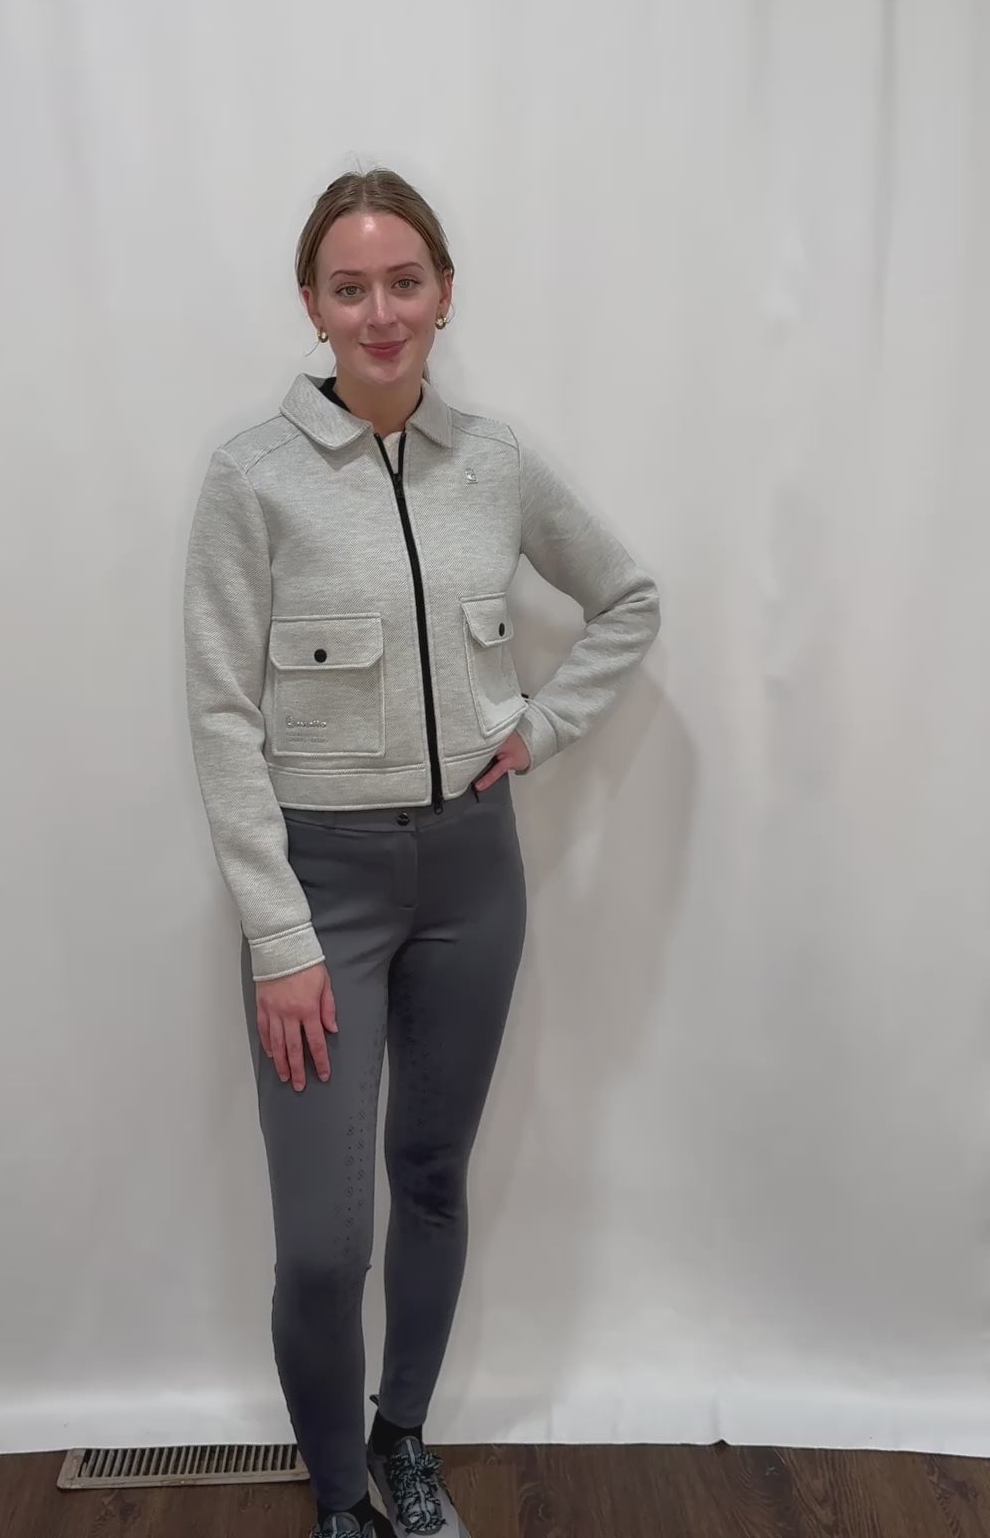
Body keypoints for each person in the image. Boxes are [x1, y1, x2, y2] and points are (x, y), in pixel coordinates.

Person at [183, 169, 660, 1538]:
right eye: (351, 288)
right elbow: (221, 717)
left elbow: (627, 597)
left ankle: (403, 1440)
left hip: (471, 877)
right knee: (323, 1244)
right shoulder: (252, 478)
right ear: (313, 305)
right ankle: (339, 1499)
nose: (380, 313)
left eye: (404, 282)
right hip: (320, 887)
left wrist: (542, 728)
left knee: (433, 1179)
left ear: (445, 293)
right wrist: (279, 935)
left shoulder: (494, 464)